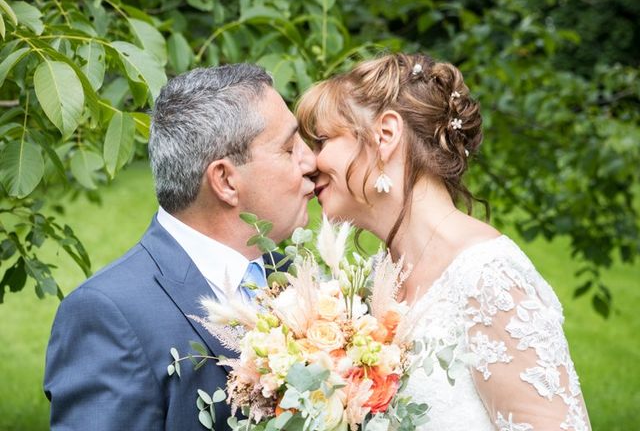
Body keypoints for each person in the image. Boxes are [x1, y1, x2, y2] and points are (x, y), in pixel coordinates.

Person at [296, 53, 591, 430]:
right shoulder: (372, 282)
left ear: (385, 135)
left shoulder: (488, 279)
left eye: (321, 141)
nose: (310, 162)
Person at [44, 64, 317, 430]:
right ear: (225, 181)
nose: (310, 161)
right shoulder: (108, 316)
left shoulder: (296, 274)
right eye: (288, 148)